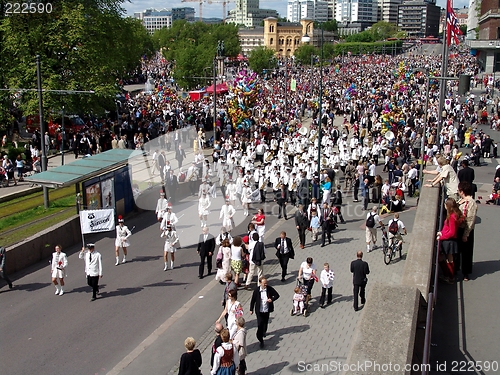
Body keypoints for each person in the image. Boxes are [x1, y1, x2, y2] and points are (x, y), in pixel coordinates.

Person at [437, 198, 462, 283]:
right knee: (449, 259)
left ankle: (448, 276)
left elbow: (452, 232)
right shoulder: (455, 215)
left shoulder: (451, 217)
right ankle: (450, 276)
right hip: (450, 240)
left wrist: (441, 236)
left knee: (443, 258)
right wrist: (442, 233)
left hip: (448, 240)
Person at [249, 277, 280, 349]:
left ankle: (264, 332)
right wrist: (251, 309)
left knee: (265, 323)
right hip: (259, 310)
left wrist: (271, 299)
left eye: (266, 283)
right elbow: (253, 300)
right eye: (264, 283)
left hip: (266, 309)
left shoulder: (269, 289)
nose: (265, 285)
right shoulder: (257, 290)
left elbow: (277, 295)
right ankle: (261, 340)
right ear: (260, 283)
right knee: (260, 324)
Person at [457, 182, 478, 281]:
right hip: (459, 227)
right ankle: (457, 268)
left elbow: (470, 220)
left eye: (459, 190)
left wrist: (466, 234)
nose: (458, 192)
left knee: (466, 252)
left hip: (466, 229)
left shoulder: (472, 203)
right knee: (458, 250)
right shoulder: (461, 200)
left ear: (462, 191)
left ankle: (466, 272)